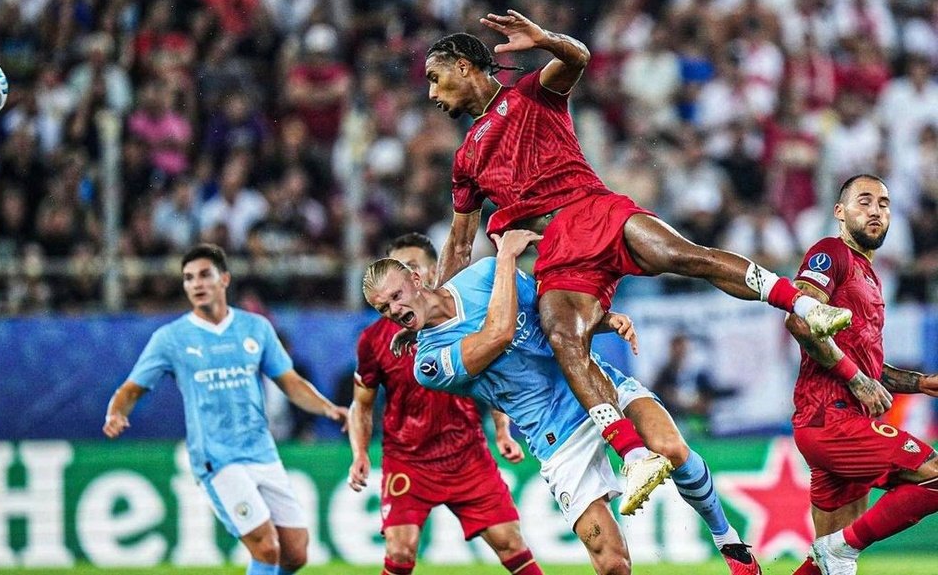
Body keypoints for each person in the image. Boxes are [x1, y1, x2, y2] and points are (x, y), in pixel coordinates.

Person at [423, 11, 852, 488]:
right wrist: (428, 310)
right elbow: (460, 245)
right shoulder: (465, 160)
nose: (432, 95)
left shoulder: (529, 94)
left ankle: (803, 305)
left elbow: (579, 57)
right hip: (559, 253)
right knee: (565, 338)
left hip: (594, 210)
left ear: (464, 66)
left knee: (687, 257)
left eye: (435, 79)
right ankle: (633, 453)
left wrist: (545, 39)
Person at [363, 230, 763, 575]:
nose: (395, 311)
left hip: (589, 382)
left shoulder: (480, 278)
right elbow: (498, 335)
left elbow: (547, 310)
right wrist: (504, 256)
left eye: (396, 296)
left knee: (671, 447)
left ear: (416, 279)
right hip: (553, 435)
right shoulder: (428, 363)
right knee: (613, 564)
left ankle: (729, 542)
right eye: (383, 309)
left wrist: (604, 320)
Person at [103, 243, 347, 575]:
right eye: (188, 278)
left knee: (295, 552)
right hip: (216, 458)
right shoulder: (171, 338)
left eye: (205, 275)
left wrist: (328, 409)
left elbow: (290, 381)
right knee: (265, 546)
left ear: (225, 279)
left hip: (262, 452)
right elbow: (132, 388)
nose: (196, 284)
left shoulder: (256, 329)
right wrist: (116, 412)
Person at [348, 232, 544, 575]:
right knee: (400, 549)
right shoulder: (373, 341)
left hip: (466, 451)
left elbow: (494, 366)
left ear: (422, 273)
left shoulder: (463, 306)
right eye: (385, 302)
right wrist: (360, 453)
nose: (394, 306)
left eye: (409, 268)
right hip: (408, 458)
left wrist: (502, 431)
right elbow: (362, 404)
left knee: (510, 542)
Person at [785, 174, 938, 575]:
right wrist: (856, 379)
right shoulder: (829, 253)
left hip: (847, 418)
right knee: (935, 476)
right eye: (865, 201)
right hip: (830, 419)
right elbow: (801, 322)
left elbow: (869, 368)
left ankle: (833, 553)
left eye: (884, 204)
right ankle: (839, 549)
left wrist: (920, 384)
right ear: (840, 212)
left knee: (827, 564)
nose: (876, 210)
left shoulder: (868, 274)